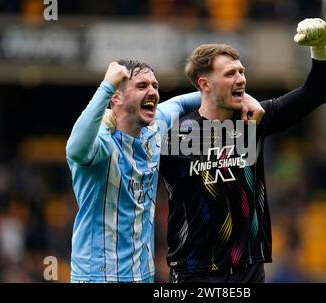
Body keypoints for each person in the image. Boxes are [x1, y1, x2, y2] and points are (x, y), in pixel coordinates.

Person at [159, 18, 326, 282]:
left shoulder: (253, 119)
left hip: (248, 269)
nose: (240, 79)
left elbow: (317, 91)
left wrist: (320, 48)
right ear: (205, 84)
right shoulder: (174, 134)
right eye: (230, 74)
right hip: (194, 272)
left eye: (241, 71)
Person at [66, 60, 263, 283]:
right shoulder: (102, 140)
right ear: (116, 97)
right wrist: (106, 86)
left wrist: (243, 98)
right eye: (141, 86)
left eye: (155, 86)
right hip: (97, 276)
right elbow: (75, 149)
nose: (152, 92)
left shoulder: (156, 125)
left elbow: (196, 98)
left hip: (143, 275)